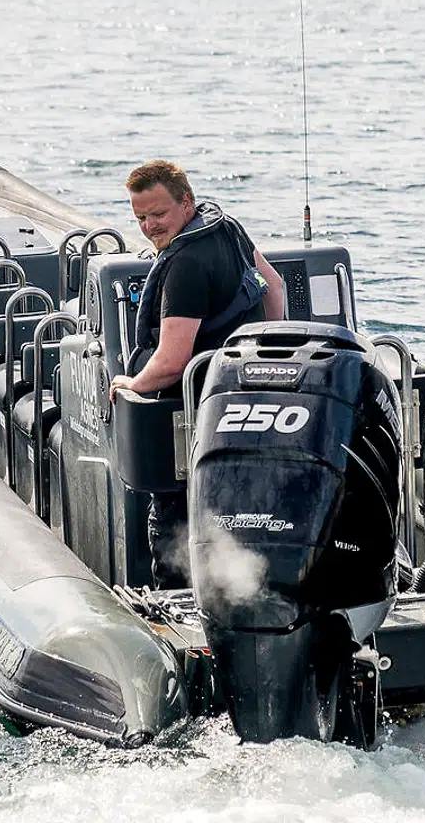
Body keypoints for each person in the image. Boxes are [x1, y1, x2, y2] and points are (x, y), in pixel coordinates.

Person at [107, 159, 285, 587]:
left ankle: (176, 606)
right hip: (246, 404)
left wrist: (132, 383)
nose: (150, 226)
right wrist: (261, 358)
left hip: (195, 417)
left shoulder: (184, 267)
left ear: (185, 203)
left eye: (158, 214)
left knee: (174, 525)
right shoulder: (226, 228)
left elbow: (171, 361)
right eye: (141, 218)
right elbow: (274, 288)